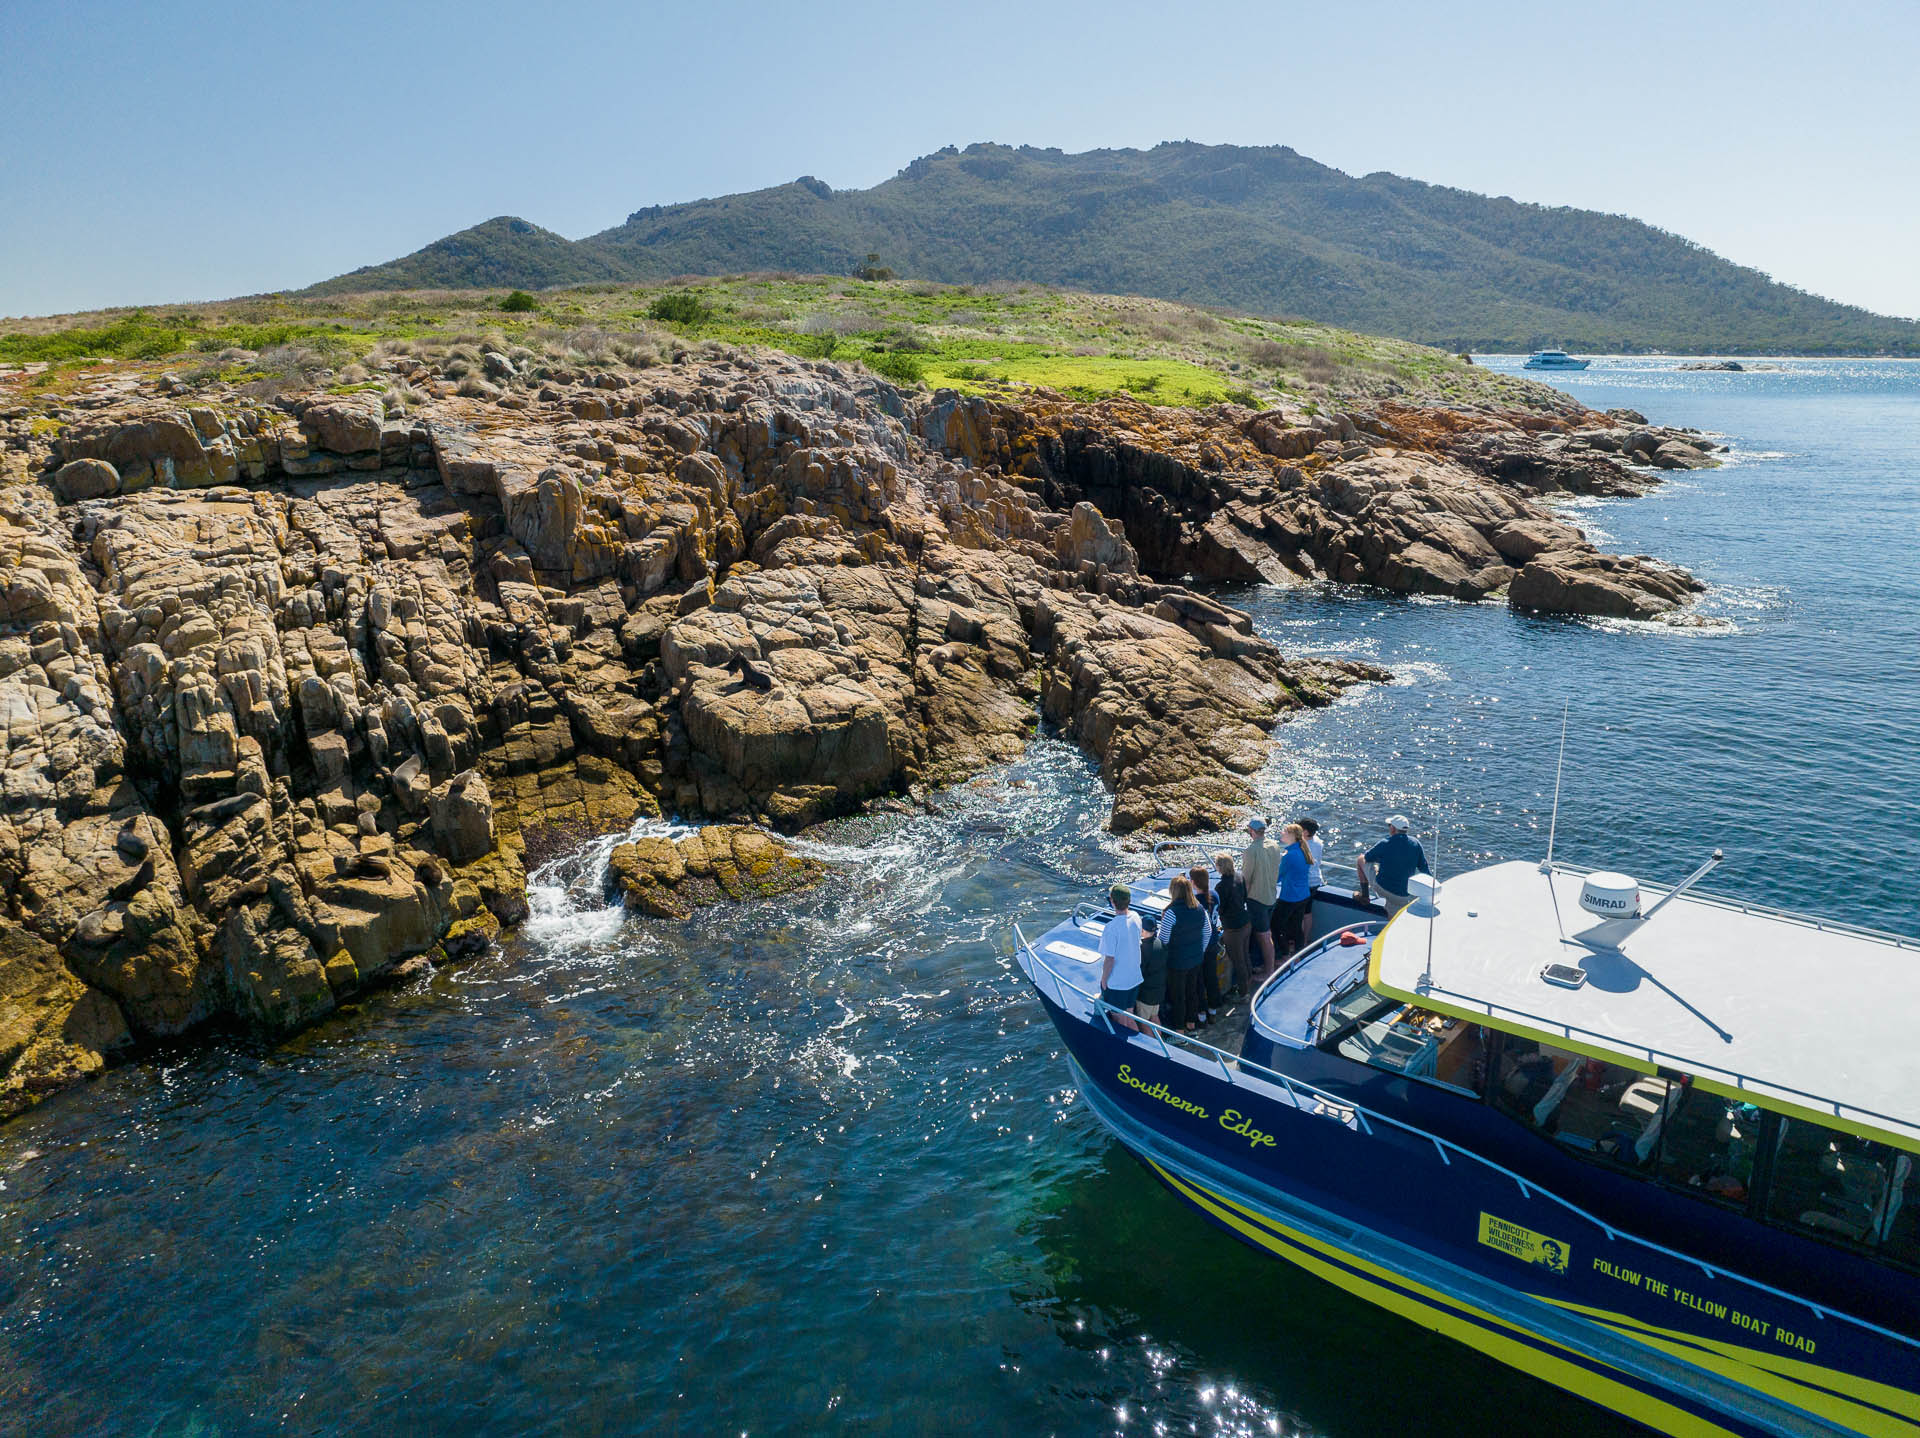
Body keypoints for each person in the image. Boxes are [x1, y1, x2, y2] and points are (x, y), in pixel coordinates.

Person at [1155, 874, 1216, 1034]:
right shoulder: (1200, 909)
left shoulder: (1171, 913)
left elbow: (1163, 939)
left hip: (1176, 962)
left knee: (1178, 996)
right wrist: (1199, 951)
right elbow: (1207, 932)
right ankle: (1191, 1023)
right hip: (1195, 960)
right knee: (1192, 992)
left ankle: (1179, 1030)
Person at [1358, 814, 1430, 917]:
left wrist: (1383, 858)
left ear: (1393, 828)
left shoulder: (1385, 843)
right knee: (1393, 916)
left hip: (1384, 889)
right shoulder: (1416, 844)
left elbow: (1368, 857)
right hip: (1404, 895)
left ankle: (1364, 897)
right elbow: (1424, 869)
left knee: (1360, 858)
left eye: (1389, 825)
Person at [1097, 884, 1144, 1032]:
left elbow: (1109, 959)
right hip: (1135, 978)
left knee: (1119, 1020)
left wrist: (1104, 980)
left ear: (1112, 901)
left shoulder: (1111, 928)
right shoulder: (1136, 917)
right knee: (1129, 1016)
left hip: (1118, 984)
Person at [1240, 817, 1281, 983]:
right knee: (1264, 933)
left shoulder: (1251, 851)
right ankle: (1264, 965)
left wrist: (1242, 898)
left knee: (1264, 936)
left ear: (1251, 831)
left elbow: (1246, 879)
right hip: (1271, 895)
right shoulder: (1274, 845)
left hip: (1257, 899)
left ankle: (1269, 972)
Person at [1272, 823, 1315, 961]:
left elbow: (1278, 877)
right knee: (1296, 927)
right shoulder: (1304, 851)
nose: (1282, 833)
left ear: (1292, 836)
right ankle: (1298, 954)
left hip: (1289, 897)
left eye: (1285, 831)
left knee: (1275, 926)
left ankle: (1283, 955)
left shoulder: (1289, 856)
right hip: (1303, 896)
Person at [1189, 864, 1224, 1025]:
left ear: (1193, 882)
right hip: (1213, 942)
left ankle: (1201, 1013)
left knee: (1199, 980)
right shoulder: (1215, 895)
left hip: (1200, 946)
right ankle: (1213, 1009)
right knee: (1212, 976)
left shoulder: (1195, 902)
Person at [1214, 852, 1251, 998]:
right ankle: (1248, 984)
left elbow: (1220, 909)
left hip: (1233, 929)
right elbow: (1244, 896)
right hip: (1246, 922)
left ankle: (1243, 994)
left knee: (1238, 961)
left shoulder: (1221, 887)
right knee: (1245, 956)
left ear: (1219, 867)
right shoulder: (1240, 876)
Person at [1296, 818, 1325, 944]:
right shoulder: (1318, 841)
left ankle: (1297, 942)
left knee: (1298, 914)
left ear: (1306, 832)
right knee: (1307, 913)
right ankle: (1305, 940)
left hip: (1303, 883)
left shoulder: (1302, 845)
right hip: (1315, 882)